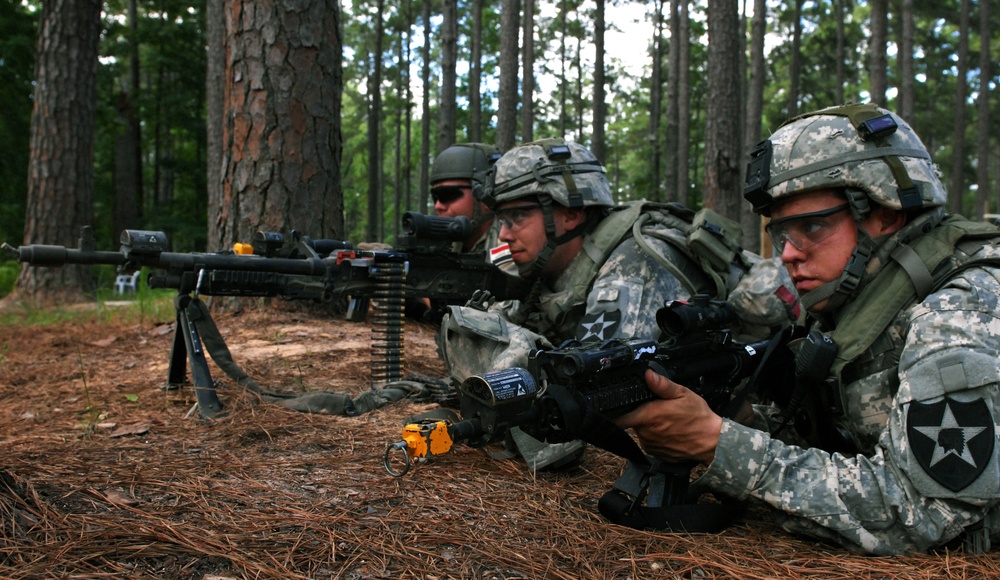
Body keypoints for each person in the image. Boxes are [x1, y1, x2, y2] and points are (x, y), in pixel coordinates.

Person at [617, 103, 1000, 555]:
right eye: (781, 234)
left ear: (887, 213)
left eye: (813, 227)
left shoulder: (959, 314)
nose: (788, 255)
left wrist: (718, 444)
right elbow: (843, 436)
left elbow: (922, 510)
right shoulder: (851, 301)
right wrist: (739, 420)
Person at [439, 138, 793, 470]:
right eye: (502, 219)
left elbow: (597, 394)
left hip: (776, 407)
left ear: (571, 214)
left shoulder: (632, 265)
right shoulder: (556, 267)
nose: (503, 233)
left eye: (517, 217)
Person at [428, 143, 505, 256]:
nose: (438, 206)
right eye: (435, 197)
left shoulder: (510, 243)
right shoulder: (448, 245)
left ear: (485, 196)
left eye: (447, 195)